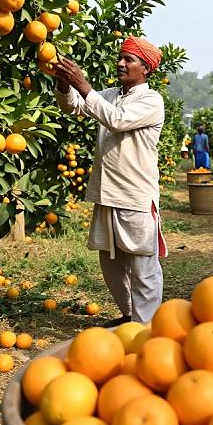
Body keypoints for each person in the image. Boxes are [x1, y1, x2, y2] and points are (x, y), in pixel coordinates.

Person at [53, 35, 167, 325]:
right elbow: (76, 106)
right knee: (111, 263)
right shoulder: (110, 94)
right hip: (106, 194)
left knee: (142, 266)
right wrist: (64, 84)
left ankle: (146, 328)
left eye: (129, 59)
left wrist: (82, 84)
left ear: (146, 69)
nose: (120, 63)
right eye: (121, 57)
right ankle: (130, 315)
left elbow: (116, 119)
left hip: (135, 196)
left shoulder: (151, 100)